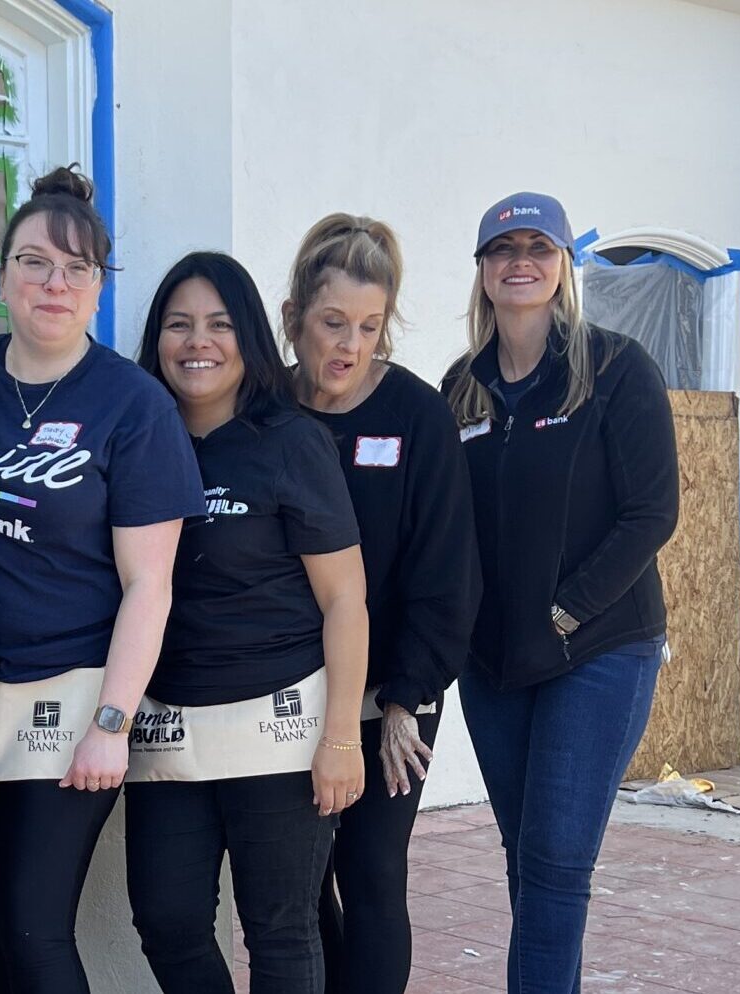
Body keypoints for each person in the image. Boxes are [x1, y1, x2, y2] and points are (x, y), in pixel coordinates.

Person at [0, 166, 205, 994]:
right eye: (34, 262)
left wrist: (111, 721)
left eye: (77, 268)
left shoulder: (133, 407)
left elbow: (150, 585)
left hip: (66, 699)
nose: (53, 283)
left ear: (99, 287)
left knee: (33, 927)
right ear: (1, 276)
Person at [442, 193, 678, 994]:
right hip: (496, 661)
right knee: (531, 863)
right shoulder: (461, 390)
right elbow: (448, 527)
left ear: (565, 265)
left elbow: (653, 512)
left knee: (555, 862)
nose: (520, 261)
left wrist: (565, 610)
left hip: (599, 649)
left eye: (538, 246)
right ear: (481, 271)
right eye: (502, 247)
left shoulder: (614, 369)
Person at [126, 251, 369, 994]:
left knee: (282, 934)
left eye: (219, 324)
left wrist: (340, 737)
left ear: (250, 338)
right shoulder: (132, 439)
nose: (198, 342)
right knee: (166, 923)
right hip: (165, 728)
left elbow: (345, 601)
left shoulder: (291, 442)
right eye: (179, 325)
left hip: (279, 727)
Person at [279, 215, 482, 994]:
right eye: (333, 323)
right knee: (298, 882)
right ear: (295, 316)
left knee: (369, 869)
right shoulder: (269, 411)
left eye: (369, 327)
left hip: (393, 688)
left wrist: (404, 701)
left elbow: (447, 574)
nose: (349, 346)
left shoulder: (415, 417)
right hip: (289, 690)